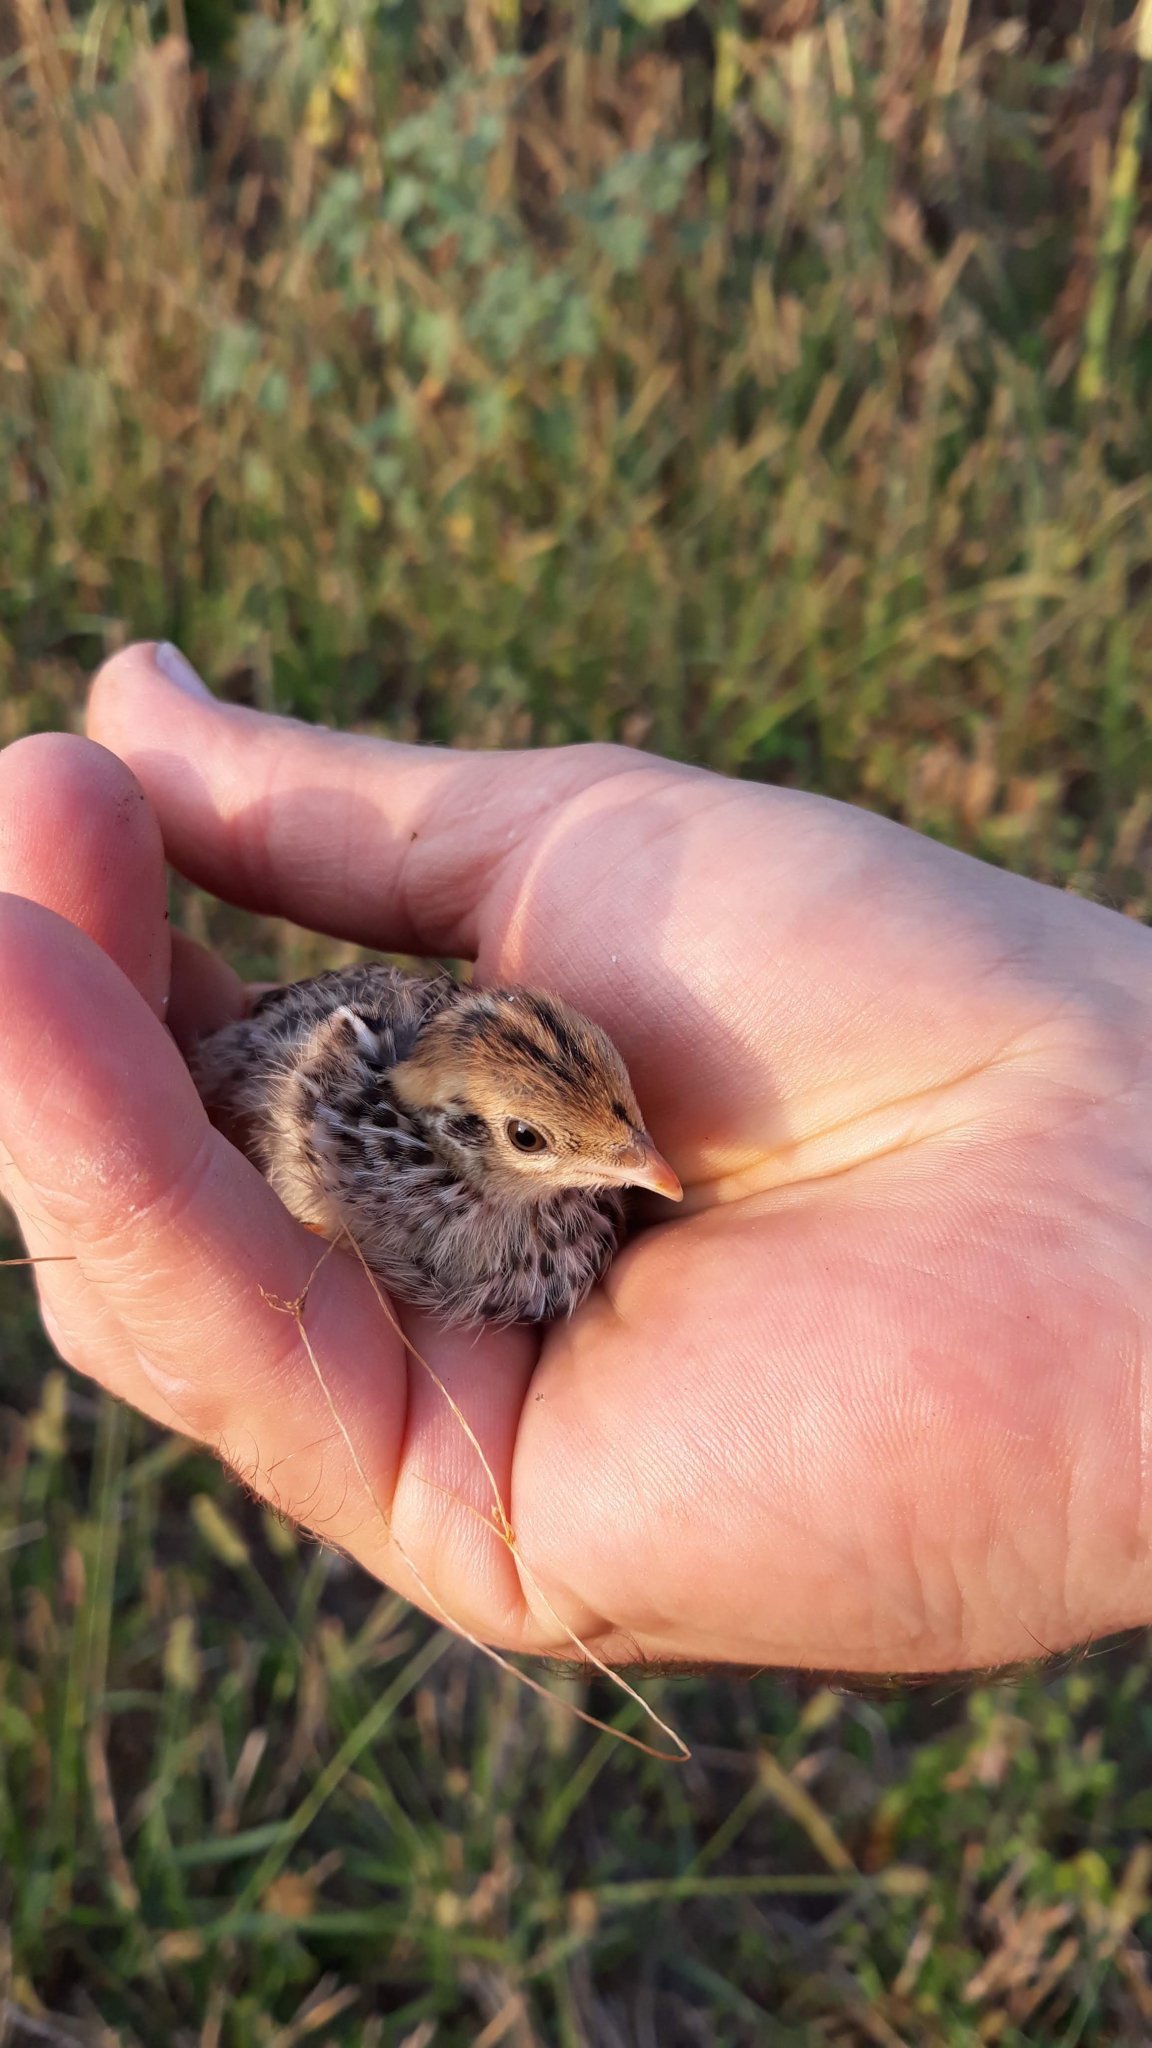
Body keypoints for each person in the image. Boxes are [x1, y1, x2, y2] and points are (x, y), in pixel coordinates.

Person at [1, 639, 1150, 1679]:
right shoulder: (328, 1122)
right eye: (539, 1141)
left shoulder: (572, 1216)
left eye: (626, 1122)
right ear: (461, 1131)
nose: (642, 1167)